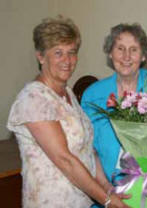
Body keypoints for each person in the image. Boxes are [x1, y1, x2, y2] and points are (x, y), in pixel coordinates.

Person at [7, 16, 129, 208]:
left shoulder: (68, 94)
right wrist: (105, 200)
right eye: (58, 53)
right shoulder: (33, 98)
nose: (67, 60)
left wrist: (107, 188)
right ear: (40, 56)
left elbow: (88, 150)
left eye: (72, 52)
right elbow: (64, 159)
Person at [81, 23, 147, 208]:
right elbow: (90, 152)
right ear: (110, 53)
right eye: (120, 49)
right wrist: (107, 190)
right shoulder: (92, 95)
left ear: (143, 55)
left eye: (133, 49)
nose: (126, 56)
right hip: (108, 196)